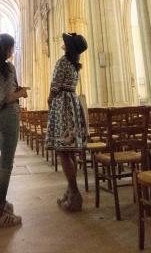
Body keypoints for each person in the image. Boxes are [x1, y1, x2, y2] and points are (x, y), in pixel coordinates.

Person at [0, 33, 28, 228]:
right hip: (8, 117)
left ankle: (2, 203)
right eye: (13, 47)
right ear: (8, 49)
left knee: (5, 160)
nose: (13, 50)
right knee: (6, 164)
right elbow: (10, 97)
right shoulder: (8, 68)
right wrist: (22, 93)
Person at [46, 33, 89, 211]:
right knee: (70, 152)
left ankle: (74, 194)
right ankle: (70, 192)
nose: (63, 43)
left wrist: (49, 100)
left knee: (64, 152)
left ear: (69, 47)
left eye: (66, 42)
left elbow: (55, 85)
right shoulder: (74, 65)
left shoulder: (62, 62)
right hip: (73, 103)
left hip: (62, 105)